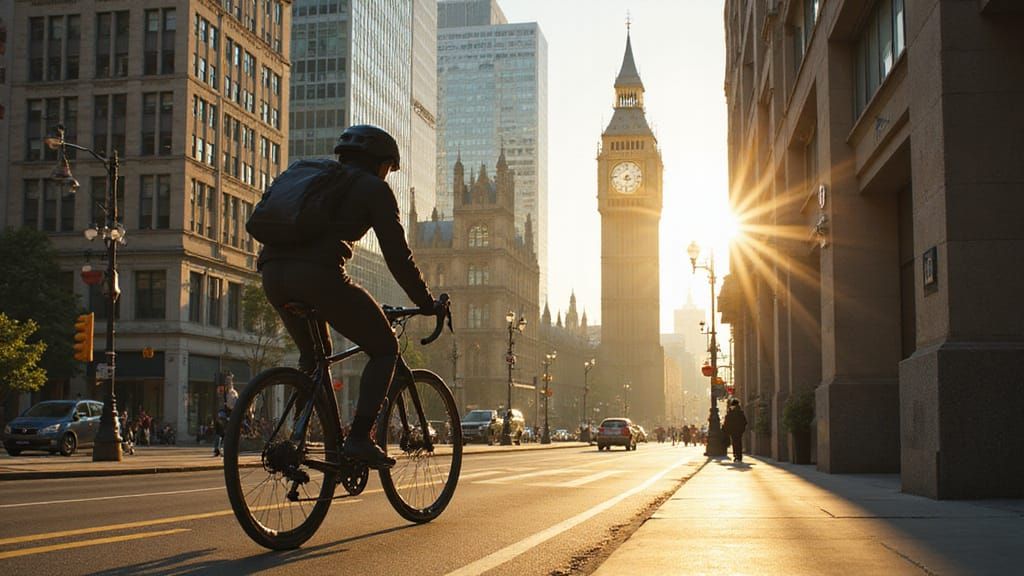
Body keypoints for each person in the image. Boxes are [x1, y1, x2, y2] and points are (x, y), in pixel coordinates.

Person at [258, 125, 437, 470]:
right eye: (388, 168)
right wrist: (426, 302)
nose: (387, 175)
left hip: (271, 274)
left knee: (314, 356)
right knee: (385, 349)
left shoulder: (314, 178)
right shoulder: (374, 189)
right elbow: (398, 257)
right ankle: (358, 438)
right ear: (379, 163)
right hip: (317, 277)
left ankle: (299, 440)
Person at [213, 374, 238, 457]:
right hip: (226, 414)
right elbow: (232, 405)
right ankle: (221, 449)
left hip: (222, 413)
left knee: (220, 432)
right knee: (224, 432)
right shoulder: (231, 392)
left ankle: (217, 448)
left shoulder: (225, 391)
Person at [722, 398, 748, 462]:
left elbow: (727, 421)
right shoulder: (740, 412)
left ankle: (736, 455)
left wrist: (726, 429)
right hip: (738, 431)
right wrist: (742, 429)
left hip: (733, 431)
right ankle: (739, 456)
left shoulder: (731, 412)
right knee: (738, 442)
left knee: (735, 442)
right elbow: (744, 422)